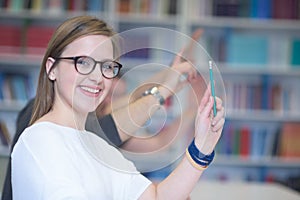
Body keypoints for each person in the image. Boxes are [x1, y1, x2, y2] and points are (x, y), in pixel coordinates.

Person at [11, 15, 225, 199]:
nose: (97, 77)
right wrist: (167, 84)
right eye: (83, 62)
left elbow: (156, 196)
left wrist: (203, 145)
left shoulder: (97, 146)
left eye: (106, 66)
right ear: (52, 69)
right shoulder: (40, 138)